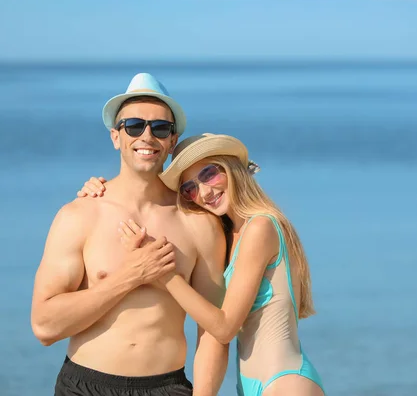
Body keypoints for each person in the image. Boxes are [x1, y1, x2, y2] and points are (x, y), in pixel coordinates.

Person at [78, 133, 326, 396]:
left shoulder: (261, 227)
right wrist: (100, 191)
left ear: (231, 168)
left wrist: (163, 274)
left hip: (286, 382)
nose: (205, 192)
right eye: (190, 188)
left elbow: (224, 327)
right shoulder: (230, 234)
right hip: (254, 385)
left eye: (209, 174)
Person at [31, 73, 229, 396]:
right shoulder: (79, 216)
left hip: (167, 387)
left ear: (172, 141)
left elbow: (213, 329)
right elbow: (44, 326)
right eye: (134, 126)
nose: (147, 136)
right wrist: (132, 275)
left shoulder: (199, 224)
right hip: (84, 386)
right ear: (115, 136)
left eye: (160, 128)